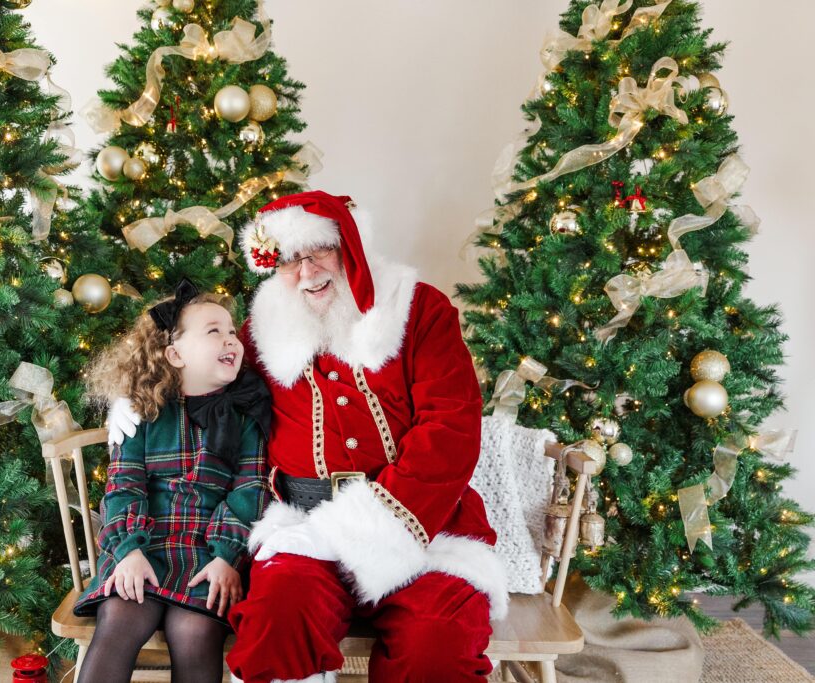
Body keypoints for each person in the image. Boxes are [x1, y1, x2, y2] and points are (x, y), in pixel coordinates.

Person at [111, 192, 508, 683]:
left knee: (437, 649)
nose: (306, 271)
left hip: (422, 529)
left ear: (349, 245)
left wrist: (378, 526)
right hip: (305, 527)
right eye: (288, 260)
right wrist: (140, 398)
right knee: (275, 627)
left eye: (317, 251)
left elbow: (451, 428)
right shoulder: (259, 332)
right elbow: (204, 377)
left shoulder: (418, 309)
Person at [76, 278, 271, 683]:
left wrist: (226, 556)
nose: (230, 339)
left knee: (195, 630)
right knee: (120, 616)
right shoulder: (145, 413)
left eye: (232, 331)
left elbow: (249, 490)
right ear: (175, 354)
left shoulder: (246, 417)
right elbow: (123, 486)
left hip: (207, 556)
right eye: (213, 331)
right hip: (144, 548)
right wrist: (128, 549)